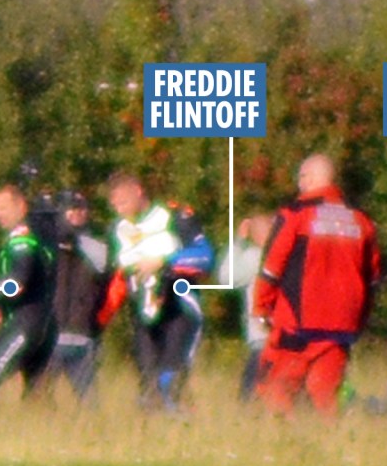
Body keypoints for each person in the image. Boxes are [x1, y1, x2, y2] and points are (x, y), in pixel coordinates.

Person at [252, 154, 380, 420]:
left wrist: (261, 307)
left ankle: (283, 444)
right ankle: (330, 448)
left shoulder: (295, 215)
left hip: (297, 323)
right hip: (342, 326)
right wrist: (360, 320)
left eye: (301, 177)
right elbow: (373, 278)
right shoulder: (361, 220)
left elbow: (271, 267)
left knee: (277, 387)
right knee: (326, 393)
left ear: (308, 179)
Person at [98, 173, 214, 412]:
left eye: (123, 202)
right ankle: (151, 442)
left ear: (138, 191)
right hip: (142, 315)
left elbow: (206, 257)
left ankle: (183, 435)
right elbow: (118, 279)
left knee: (170, 383)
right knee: (147, 387)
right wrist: (101, 318)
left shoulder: (175, 216)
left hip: (179, 308)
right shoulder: (117, 229)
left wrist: (164, 262)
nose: (119, 209)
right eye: (115, 204)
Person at [0, 185, 57, 405]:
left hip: (27, 323)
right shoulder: (40, 232)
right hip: (42, 323)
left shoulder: (22, 237)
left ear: (21, 206)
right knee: (36, 392)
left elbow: (16, 281)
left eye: (3, 208)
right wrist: (2, 307)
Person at [47, 190, 110, 402]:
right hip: (51, 337)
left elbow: (103, 268)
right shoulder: (47, 244)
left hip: (83, 336)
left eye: (82, 209)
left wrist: (74, 241)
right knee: (39, 398)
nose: (78, 214)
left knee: (90, 403)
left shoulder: (96, 244)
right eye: (71, 209)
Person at [217, 213, 272, 401]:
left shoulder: (254, 258)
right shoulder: (296, 256)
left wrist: (238, 241)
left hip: (262, 338)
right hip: (293, 336)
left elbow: (226, 279)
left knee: (249, 396)